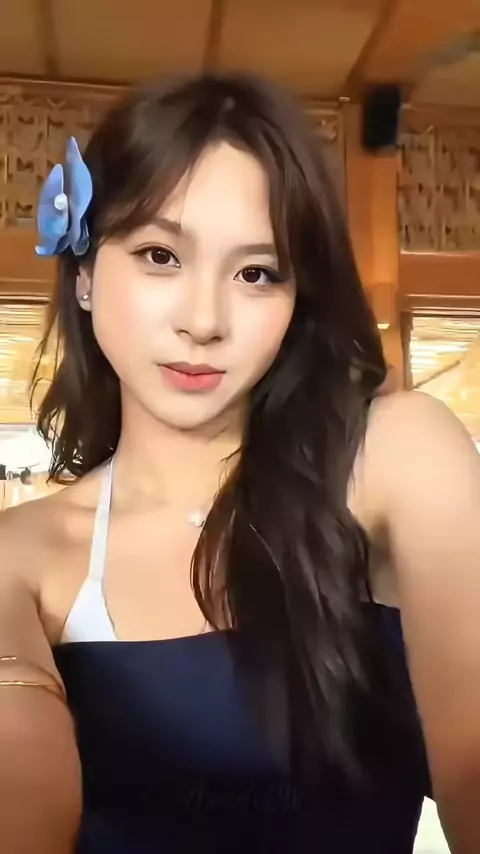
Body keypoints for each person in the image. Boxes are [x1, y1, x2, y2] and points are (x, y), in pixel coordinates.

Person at [1, 73, 479, 854]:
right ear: (83, 276)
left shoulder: (393, 459)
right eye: (160, 255)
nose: (204, 321)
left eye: (256, 273)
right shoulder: (21, 552)